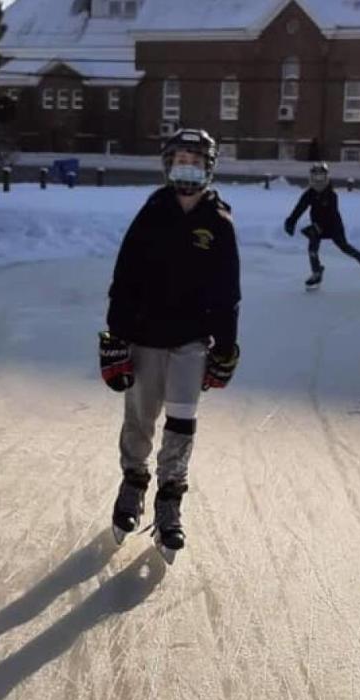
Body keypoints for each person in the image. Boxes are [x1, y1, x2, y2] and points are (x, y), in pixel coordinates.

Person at [98, 128, 241, 563]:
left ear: (209, 167)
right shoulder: (152, 214)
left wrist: (226, 347)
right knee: (140, 417)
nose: (187, 167)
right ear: (166, 164)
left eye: (196, 160)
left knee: (182, 421)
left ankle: (170, 501)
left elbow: (227, 292)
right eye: (180, 158)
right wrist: (115, 337)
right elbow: (123, 281)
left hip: (191, 340)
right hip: (143, 336)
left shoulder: (218, 222)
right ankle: (134, 483)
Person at [283, 162, 360, 288]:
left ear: (326, 177)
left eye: (321, 177)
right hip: (317, 226)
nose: (318, 180)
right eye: (315, 177)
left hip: (333, 225)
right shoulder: (309, 193)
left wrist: (320, 226)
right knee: (312, 249)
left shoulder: (331, 195)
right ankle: (316, 272)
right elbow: (300, 208)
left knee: (343, 246)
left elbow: (331, 214)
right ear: (311, 178)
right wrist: (291, 221)